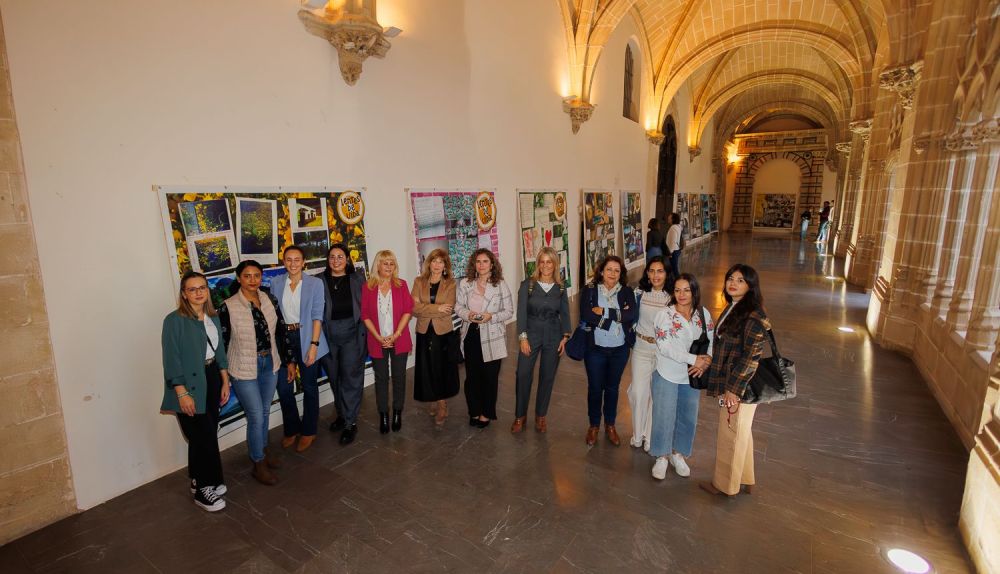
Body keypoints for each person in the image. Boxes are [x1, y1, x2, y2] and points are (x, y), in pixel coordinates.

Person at [160, 271, 231, 512]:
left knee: (207, 433)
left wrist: (225, 380)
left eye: (202, 287)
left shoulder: (213, 316)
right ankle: (203, 490)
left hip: (211, 377)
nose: (199, 292)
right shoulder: (174, 320)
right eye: (192, 289)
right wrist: (181, 393)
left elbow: (219, 352)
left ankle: (198, 478)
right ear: (183, 294)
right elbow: (172, 360)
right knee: (203, 435)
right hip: (189, 385)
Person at [218, 260, 291, 485]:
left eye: (256, 275)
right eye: (247, 276)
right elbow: (222, 343)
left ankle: (264, 449)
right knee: (256, 415)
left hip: (270, 363)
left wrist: (289, 361)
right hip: (243, 368)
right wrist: (224, 377)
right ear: (239, 278)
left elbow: (280, 331)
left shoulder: (269, 299)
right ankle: (258, 463)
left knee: (265, 412)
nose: (252, 280)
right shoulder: (228, 306)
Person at [700, 264, 769, 497]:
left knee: (731, 432)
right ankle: (745, 478)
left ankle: (725, 485)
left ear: (750, 286)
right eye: (731, 278)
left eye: (740, 280)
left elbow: (751, 357)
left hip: (739, 387)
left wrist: (733, 390)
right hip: (732, 381)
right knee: (741, 431)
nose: (733, 283)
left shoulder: (753, 316)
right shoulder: (734, 307)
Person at [650, 273, 713, 479]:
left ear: (694, 291)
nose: (682, 294)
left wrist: (706, 361)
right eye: (677, 290)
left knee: (688, 417)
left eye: (686, 290)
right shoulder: (664, 315)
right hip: (667, 373)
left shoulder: (702, 314)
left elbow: (711, 340)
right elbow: (665, 346)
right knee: (663, 416)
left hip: (692, 376)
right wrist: (693, 358)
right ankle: (661, 456)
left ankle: (678, 454)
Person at [272, 245, 330, 453]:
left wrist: (313, 346)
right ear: (284, 261)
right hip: (285, 339)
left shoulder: (314, 283)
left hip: (308, 337)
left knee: (309, 386)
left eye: (297, 259)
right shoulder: (276, 283)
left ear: (304, 262)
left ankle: (308, 430)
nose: (293, 263)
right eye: (289, 259)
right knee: (285, 387)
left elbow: (317, 315)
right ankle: (292, 428)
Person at [580, 255, 637, 446]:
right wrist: (613, 320)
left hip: (619, 349)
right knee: (595, 388)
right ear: (601, 271)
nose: (612, 273)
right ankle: (594, 425)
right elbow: (586, 314)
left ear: (621, 274)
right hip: (595, 349)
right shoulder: (589, 290)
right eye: (609, 269)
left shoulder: (627, 291)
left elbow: (632, 314)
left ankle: (610, 425)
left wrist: (604, 312)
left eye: (617, 270)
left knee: (612, 388)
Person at [513, 246, 571, 433]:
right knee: (523, 374)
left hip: (553, 336)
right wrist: (523, 337)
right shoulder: (527, 285)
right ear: (538, 264)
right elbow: (521, 312)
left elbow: (565, 313)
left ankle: (540, 416)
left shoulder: (560, 287)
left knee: (547, 377)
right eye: (542, 261)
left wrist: (565, 337)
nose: (546, 265)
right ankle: (520, 415)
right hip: (531, 333)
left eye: (549, 262)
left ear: (555, 264)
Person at [455, 249, 514, 428]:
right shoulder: (465, 283)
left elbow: (509, 311)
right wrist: (468, 314)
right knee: (472, 377)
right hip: (471, 333)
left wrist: (491, 317)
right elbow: (457, 306)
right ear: (474, 264)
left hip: (493, 334)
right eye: (478, 261)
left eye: (485, 261)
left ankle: (486, 413)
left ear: (492, 264)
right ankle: (474, 411)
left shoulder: (500, 284)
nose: (481, 265)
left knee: (490, 377)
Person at [318, 243, 368, 445]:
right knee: (334, 377)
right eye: (332, 257)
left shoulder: (358, 279)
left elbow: (367, 306)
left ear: (347, 259)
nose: (336, 260)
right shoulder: (318, 281)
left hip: (352, 335)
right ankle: (341, 413)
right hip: (328, 334)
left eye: (340, 256)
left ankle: (350, 423)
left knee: (351, 379)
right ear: (327, 260)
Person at [360, 249, 414, 434]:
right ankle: (383, 414)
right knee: (381, 378)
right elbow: (365, 315)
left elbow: (408, 310)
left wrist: (396, 334)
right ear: (378, 265)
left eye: (392, 263)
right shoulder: (368, 287)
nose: (389, 267)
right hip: (377, 340)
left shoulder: (402, 285)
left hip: (399, 338)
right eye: (385, 263)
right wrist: (378, 337)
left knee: (399, 377)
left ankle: (397, 412)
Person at [627, 256, 674, 451]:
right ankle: (637, 435)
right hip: (641, 348)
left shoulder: (672, 297)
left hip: (663, 352)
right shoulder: (639, 293)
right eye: (652, 271)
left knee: (656, 396)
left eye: (660, 271)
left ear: (666, 273)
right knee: (638, 392)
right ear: (647, 273)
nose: (656, 275)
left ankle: (649, 437)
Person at [411, 248, 460, 427]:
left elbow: (448, 308)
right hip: (424, 330)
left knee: (440, 367)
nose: (437, 264)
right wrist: (436, 308)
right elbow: (413, 307)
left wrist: (427, 307)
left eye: (441, 261)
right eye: (434, 261)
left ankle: (441, 403)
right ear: (429, 263)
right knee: (426, 366)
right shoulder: (419, 281)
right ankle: (432, 396)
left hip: (443, 331)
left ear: (445, 265)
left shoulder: (451, 284)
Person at [666, 212, 683, 277]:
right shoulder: (678, 227)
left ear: (673, 219)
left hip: (673, 252)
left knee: (674, 269)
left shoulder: (673, 228)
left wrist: (670, 252)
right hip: (676, 250)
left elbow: (673, 241)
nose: (668, 218)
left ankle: (678, 282)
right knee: (674, 268)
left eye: (669, 217)